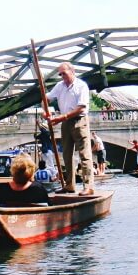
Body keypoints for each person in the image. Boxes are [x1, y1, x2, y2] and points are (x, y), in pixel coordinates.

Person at [46, 61, 96, 195]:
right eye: (60, 74)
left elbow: (81, 108)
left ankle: (88, 186)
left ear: (72, 72)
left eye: (64, 73)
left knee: (84, 154)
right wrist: (45, 110)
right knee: (67, 155)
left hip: (79, 121)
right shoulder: (60, 86)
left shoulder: (81, 86)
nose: (62, 76)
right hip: (66, 123)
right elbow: (47, 98)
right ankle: (70, 185)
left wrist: (61, 117)